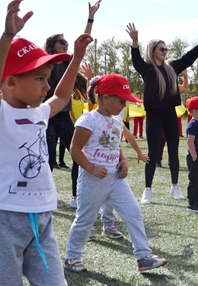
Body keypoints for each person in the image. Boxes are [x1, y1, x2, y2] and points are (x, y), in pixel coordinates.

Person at [0, 0, 92, 286]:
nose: (46, 85)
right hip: (3, 219)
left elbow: (63, 94)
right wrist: (8, 36)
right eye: (39, 78)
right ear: (11, 82)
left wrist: (77, 57)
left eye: (46, 78)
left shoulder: (39, 113)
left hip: (41, 219)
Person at [64, 73, 167, 273]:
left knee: (133, 213)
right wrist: (92, 168)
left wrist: (124, 159)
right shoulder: (88, 120)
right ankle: (71, 257)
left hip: (115, 178)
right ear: (105, 98)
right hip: (92, 180)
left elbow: (114, 144)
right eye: (121, 100)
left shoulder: (116, 121)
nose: (123, 105)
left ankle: (143, 257)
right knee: (85, 219)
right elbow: (75, 149)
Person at [125, 22, 198, 204]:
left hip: (170, 113)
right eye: (162, 48)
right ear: (153, 51)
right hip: (153, 115)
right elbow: (136, 60)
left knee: (174, 151)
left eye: (166, 48)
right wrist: (135, 42)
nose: (165, 51)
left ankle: (174, 186)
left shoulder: (172, 67)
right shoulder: (148, 69)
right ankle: (148, 189)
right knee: (152, 152)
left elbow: (189, 57)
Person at [44, 0, 101, 206]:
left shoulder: (69, 62)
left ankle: (76, 196)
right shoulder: (44, 64)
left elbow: (83, 42)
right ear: (52, 47)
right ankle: (45, 195)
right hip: (46, 117)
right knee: (48, 160)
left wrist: (90, 18)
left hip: (64, 117)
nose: (66, 44)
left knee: (80, 155)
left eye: (66, 41)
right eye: (62, 42)